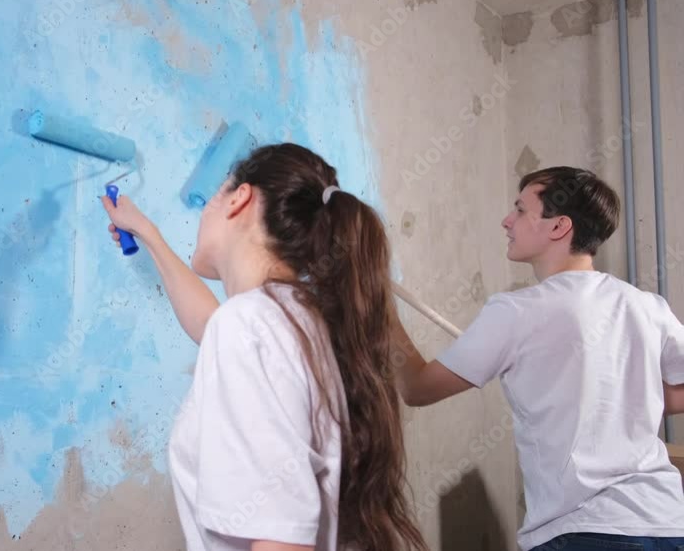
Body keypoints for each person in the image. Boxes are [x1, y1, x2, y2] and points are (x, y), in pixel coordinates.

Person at [101, 143, 427, 551]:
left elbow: (281, 540)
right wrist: (149, 235)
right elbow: (212, 323)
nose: (204, 212)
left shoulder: (250, 325)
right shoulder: (295, 319)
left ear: (240, 199)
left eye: (214, 196)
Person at [391, 166, 684, 551]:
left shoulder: (517, 311)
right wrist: (616, 397)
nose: (506, 221)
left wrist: (380, 308)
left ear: (559, 226)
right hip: (667, 525)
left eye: (521, 210)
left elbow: (417, 388)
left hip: (583, 534)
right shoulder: (646, 306)